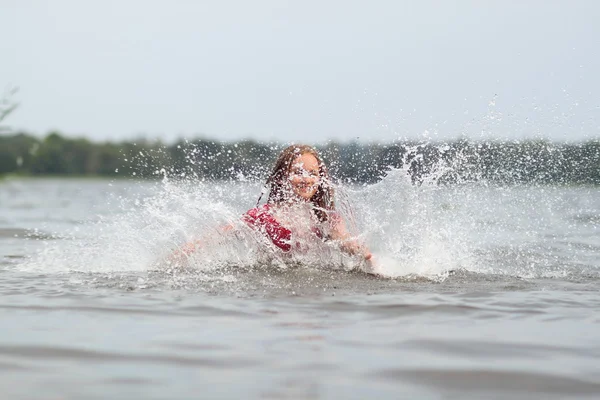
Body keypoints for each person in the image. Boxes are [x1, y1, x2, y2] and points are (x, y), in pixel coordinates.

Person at [173, 144, 373, 267]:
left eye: (313, 173)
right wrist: (180, 255)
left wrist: (365, 255)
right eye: (298, 172)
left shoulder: (327, 218)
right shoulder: (262, 216)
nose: (306, 179)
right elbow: (218, 234)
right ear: (281, 178)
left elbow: (343, 240)